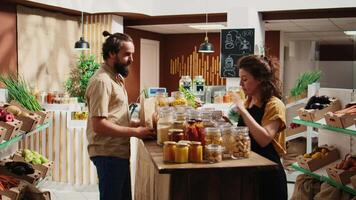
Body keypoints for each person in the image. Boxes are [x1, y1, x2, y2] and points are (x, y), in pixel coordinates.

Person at [85, 31, 155, 200]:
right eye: (127, 55)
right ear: (111, 54)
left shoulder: (116, 78)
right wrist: (135, 133)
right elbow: (99, 125)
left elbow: (114, 117)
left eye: (132, 54)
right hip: (108, 154)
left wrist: (134, 124)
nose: (131, 59)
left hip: (118, 153)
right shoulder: (102, 81)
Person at [234, 55, 287, 200]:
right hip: (250, 172)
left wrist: (242, 111)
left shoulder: (274, 105)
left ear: (259, 79)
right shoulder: (248, 102)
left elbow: (264, 139)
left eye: (245, 79)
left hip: (269, 175)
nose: (241, 84)